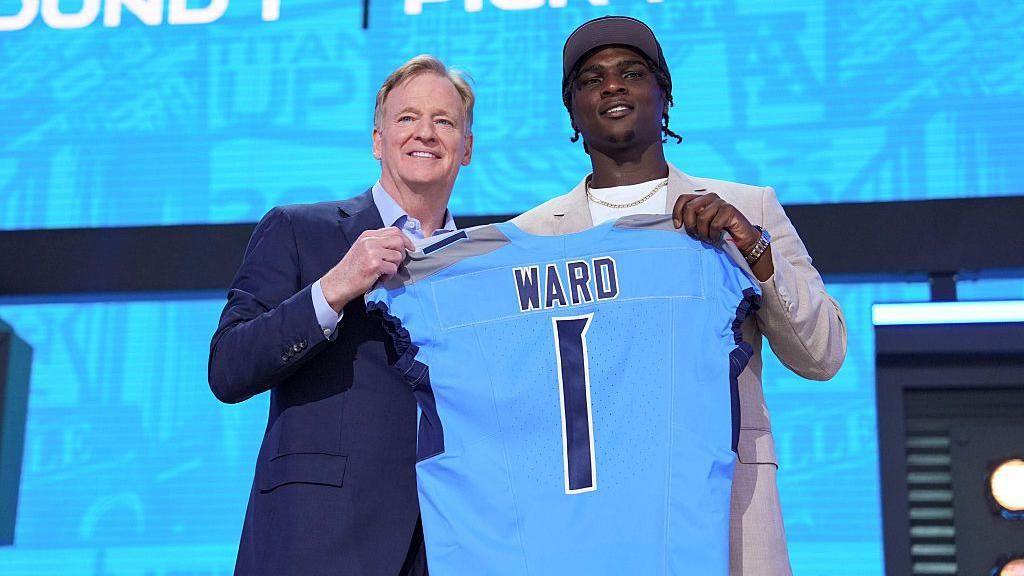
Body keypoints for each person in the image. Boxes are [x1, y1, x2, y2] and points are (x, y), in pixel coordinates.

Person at [512, 16, 847, 576]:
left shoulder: (748, 208)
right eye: (591, 79)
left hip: (727, 508)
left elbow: (823, 354)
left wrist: (754, 248)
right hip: (594, 515)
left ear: (664, 94)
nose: (612, 86)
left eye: (632, 73)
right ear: (571, 112)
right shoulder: (535, 237)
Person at [208, 54, 474, 576]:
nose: (425, 133)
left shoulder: (484, 265)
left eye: (443, 121)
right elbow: (228, 367)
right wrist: (333, 289)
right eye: (406, 118)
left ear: (466, 148)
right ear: (378, 140)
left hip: (450, 544)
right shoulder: (298, 230)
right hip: (318, 541)